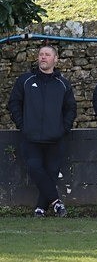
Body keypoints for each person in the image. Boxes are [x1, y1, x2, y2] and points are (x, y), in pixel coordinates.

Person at [7, 46, 77, 217]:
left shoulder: (63, 84)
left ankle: (40, 208)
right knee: (35, 168)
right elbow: (14, 103)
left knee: (51, 173)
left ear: (55, 59)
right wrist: (23, 125)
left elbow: (71, 108)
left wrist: (63, 128)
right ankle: (57, 203)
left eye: (47, 55)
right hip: (31, 137)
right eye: (41, 55)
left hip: (55, 138)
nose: (43, 57)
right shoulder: (25, 80)